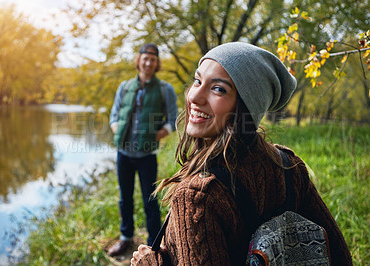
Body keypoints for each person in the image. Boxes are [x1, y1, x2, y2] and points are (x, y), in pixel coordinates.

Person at [131, 42, 352, 265]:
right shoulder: (289, 166)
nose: (195, 96)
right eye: (198, 80)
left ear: (245, 108)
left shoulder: (198, 196)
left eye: (218, 88)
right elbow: (340, 257)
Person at [108, 43, 178, 256]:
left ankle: (154, 245)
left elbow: (173, 119)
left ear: (157, 63)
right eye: (145, 58)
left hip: (147, 155)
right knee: (124, 198)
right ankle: (125, 238)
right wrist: (116, 129)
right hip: (124, 154)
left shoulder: (165, 89)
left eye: (153, 59)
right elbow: (114, 115)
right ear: (138, 60)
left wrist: (158, 135)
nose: (148, 62)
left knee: (150, 199)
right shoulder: (125, 86)